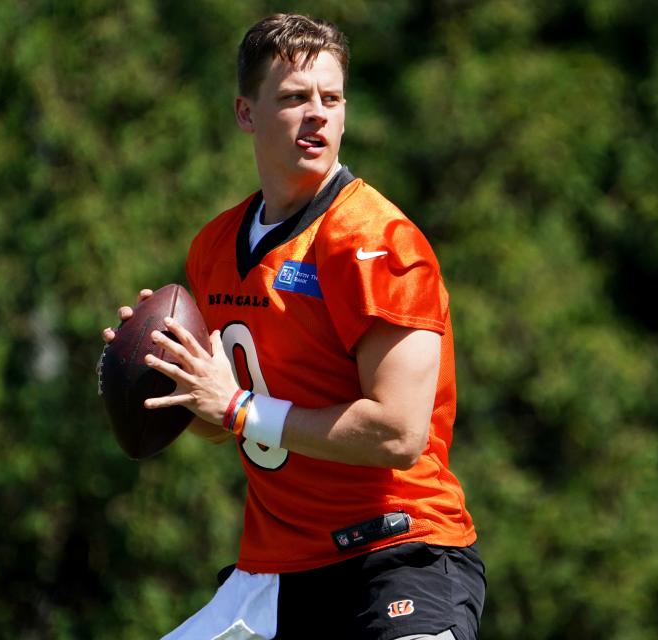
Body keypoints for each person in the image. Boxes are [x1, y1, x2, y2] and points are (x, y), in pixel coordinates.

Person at [101, 12, 484, 640]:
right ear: (245, 113)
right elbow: (221, 421)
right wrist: (161, 375)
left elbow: (399, 432)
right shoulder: (215, 246)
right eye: (294, 98)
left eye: (331, 98)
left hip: (397, 555)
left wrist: (238, 408)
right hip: (278, 574)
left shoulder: (377, 241)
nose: (318, 114)